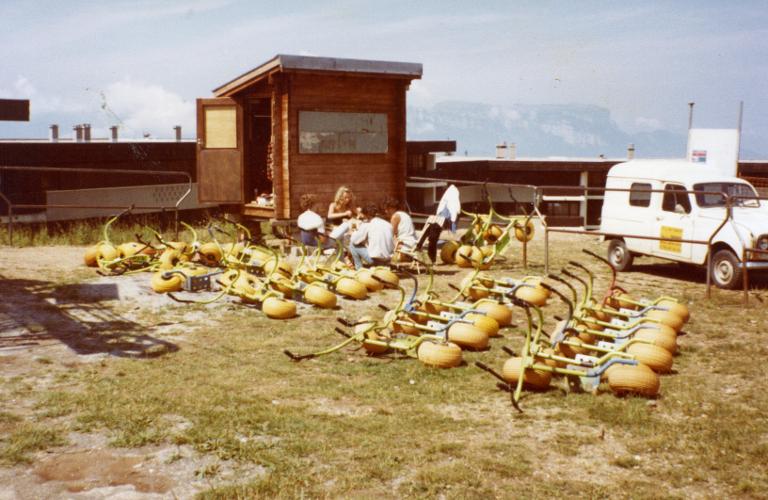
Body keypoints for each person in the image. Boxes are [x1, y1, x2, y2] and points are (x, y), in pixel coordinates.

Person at [416, 184, 461, 263]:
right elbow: (454, 207)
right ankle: (429, 257)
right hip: (439, 219)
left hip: (440, 219)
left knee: (431, 239)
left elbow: (453, 206)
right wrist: (453, 218)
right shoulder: (452, 194)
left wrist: (453, 218)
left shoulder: (451, 194)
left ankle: (428, 255)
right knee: (432, 239)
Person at [348, 203, 394, 269]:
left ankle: (359, 268)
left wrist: (354, 232)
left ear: (366, 215)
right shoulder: (388, 224)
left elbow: (354, 240)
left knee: (352, 245)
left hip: (376, 260)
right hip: (388, 259)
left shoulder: (367, 224)